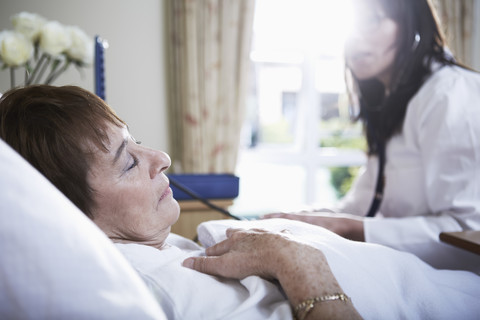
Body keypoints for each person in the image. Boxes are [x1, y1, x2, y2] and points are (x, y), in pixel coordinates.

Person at [1, 85, 480, 319]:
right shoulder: (166, 291)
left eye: (139, 142)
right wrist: (297, 262)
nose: (163, 158)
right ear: (71, 215)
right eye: (128, 162)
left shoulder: (166, 250)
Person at [263, 0, 480, 273]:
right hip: (401, 268)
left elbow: (468, 232)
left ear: (412, 24)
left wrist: (348, 227)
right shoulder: (393, 103)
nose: (353, 37)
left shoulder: (452, 94)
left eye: (371, 20)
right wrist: (295, 219)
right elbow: (359, 206)